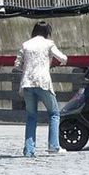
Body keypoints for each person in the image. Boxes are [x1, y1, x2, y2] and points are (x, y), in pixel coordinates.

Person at [14, 21, 68, 157]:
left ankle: (29, 150)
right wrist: (58, 62)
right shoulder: (49, 44)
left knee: (31, 116)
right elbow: (63, 58)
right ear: (47, 32)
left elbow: (17, 65)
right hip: (43, 82)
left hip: (27, 83)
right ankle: (54, 146)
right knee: (54, 113)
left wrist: (26, 68)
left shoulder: (26, 44)